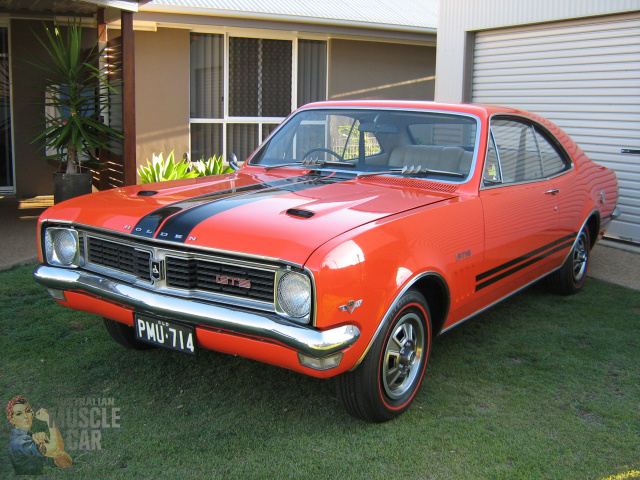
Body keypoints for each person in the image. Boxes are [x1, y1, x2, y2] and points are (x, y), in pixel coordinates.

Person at [7, 395, 72, 475]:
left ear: (32, 413)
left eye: (27, 411)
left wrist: (47, 443)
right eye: (19, 414)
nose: (25, 417)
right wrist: (49, 419)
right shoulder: (19, 442)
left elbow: (66, 463)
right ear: (12, 419)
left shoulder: (32, 438)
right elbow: (57, 450)